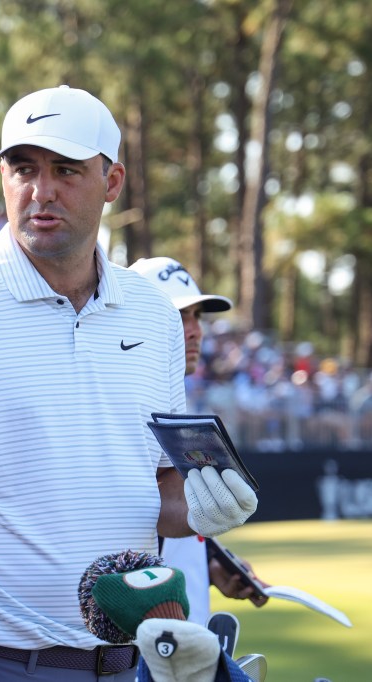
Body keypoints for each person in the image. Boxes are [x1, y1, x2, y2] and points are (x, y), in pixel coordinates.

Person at [0, 85, 258, 681]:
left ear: (112, 183)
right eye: (23, 168)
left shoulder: (154, 315)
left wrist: (201, 509)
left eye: (66, 170)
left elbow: (153, 491)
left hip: (137, 661)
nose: (41, 190)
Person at [129, 257, 267, 682]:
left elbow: (156, 517)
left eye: (196, 316)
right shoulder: (119, 409)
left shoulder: (176, 403)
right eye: (179, 315)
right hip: (143, 654)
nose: (194, 329)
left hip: (185, 647)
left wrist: (208, 562)